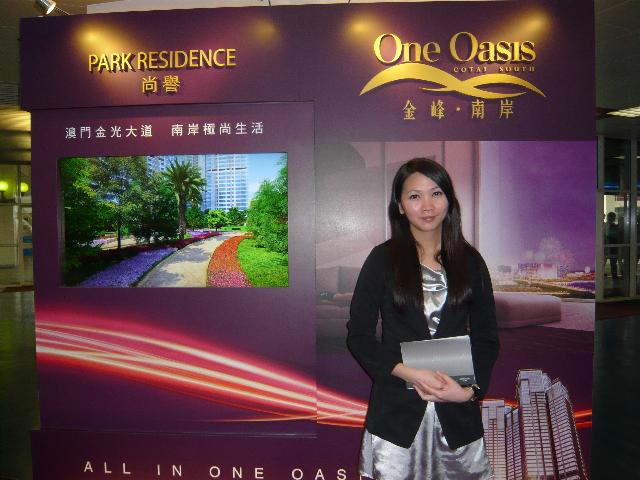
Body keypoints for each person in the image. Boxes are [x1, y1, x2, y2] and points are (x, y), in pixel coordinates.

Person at [347, 158, 499, 480]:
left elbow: (486, 337)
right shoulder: (382, 259)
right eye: (415, 196)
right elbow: (359, 336)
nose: (427, 206)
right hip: (396, 415)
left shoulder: (470, 261)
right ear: (400, 206)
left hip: (456, 412)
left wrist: (470, 391)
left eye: (436, 193)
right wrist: (407, 372)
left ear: (449, 200)